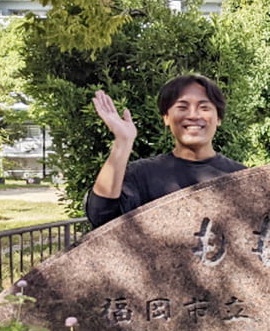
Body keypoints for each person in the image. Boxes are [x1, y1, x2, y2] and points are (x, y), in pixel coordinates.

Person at [84, 74, 246, 229]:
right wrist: (123, 142)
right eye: (182, 107)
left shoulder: (241, 178)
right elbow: (101, 216)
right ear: (166, 117)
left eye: (204, 107)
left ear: (218, 118)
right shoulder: (142, 175)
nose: (193, 115)